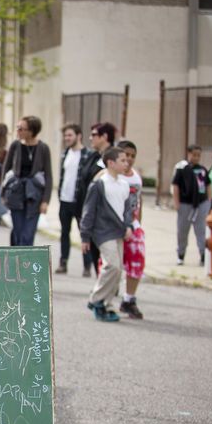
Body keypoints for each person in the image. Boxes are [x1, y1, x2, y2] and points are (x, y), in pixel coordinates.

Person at [80, 147, 135, 322]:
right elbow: (88, 211)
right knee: (112, 265)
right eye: (122, 160)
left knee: (118, 271)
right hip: (103, 232)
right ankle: (95, 299)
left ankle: (107, 304)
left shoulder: (124, 185)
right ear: (111, 163)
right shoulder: (99, 184)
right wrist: (85, 236)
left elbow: (128, 209)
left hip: (119, 231)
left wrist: (128, 226)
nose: (126, 163)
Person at [1, 115, 52, 246]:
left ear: (31, 131)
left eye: (21, 128)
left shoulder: (43, 148)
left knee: (28, 234)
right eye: (18, 127)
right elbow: (6, 169)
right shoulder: (15, 145)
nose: (18, 131)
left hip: (34, 195)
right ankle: (16, 263)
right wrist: (3, 194)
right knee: (18, 232)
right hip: (16, 193)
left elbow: (48, 175)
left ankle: (26, 264)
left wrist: (45, 200)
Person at [76, 121, 117, 276]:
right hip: (90, 212)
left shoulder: (116, 157)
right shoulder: (93, 157)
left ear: (105, 136)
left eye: (94, 134)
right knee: (94, 253)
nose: (90, 138)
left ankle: (108, 288)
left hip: (106, 215)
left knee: (108, 255)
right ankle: (102, 284)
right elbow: (83, 183)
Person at [55, 124, 92, 273]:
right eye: (66, 136)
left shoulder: (87, 155)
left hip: (80, 201)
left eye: (70, 135)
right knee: (64, 232)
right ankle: (63, 262)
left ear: (79, 135)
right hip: (65, 199)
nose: (67, 138)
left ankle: (87, 265)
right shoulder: (65, 154)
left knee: (83, 232)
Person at [117, 140, 145, 319]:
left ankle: (129, 299)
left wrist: (138, 224)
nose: (129, 159)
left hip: (133, 226)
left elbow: (139, 202)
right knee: (112, 265)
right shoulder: (112, 175)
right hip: (114, 226)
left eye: (133, 156)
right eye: (126, 155)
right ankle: (104, 297)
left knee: (137, 262)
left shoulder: (136, 176)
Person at [171, 144, 210, 266]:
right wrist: (177, 203)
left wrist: (209, 201)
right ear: (189, 154)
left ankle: (203, 254)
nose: (196, 158)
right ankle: (181, 254)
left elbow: (208, 185)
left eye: (199, 155)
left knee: (201, 230)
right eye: (194, 155)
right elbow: (176, 185)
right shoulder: (182, 169)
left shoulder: (203, 170)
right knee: (182, 230)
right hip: (185, 203)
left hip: (201, 203)